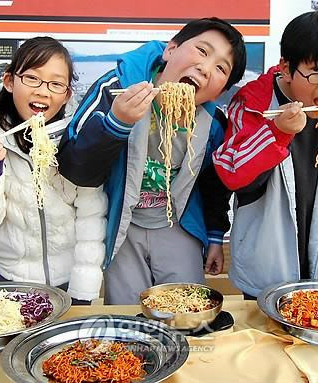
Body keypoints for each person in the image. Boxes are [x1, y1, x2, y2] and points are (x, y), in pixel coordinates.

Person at [58, 18, 246, 304]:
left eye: (221, 68)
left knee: (187, 311)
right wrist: (116, 123)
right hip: (122, 224)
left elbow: (214, 185)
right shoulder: (115, 89)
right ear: (171, 50)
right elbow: (75, 168)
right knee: (127, 317)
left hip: (180, 225)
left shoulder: (213, 123)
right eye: (202, 51)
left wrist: (215, 235)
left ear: (221, 91)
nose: (205, 69)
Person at [212, 11, 318, 298]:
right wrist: (277, 133)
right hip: (264, 254)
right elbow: (232, 174)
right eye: (317, 71)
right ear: (286, 67)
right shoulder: (253, 103)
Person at [0, 37, 107, 304]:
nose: (43, 91)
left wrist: (84, 290)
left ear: (66, 94)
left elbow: (91, 215)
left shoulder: (76, 140)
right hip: (11, 276)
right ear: (9, 81)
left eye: (55, 84)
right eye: (32, 78)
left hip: (69, 275)